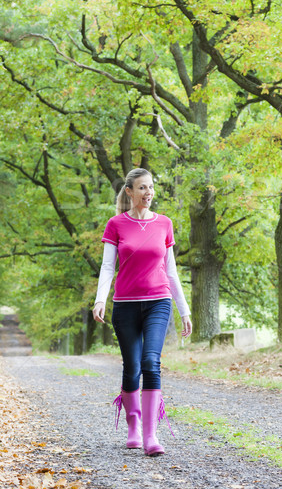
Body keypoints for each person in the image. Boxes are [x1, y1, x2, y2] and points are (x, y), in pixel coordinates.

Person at [92, 168, 192, 457]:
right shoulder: (116, 224)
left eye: (151, 187)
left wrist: (183, 310)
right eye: (142, 188)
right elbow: (108, 267)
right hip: (125, 305)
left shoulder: (164, 224)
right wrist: (101, 299)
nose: (148, 193)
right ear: (130, 192)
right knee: (132, 367)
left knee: (151, 362)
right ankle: (133, 426)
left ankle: (151, 434)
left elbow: (171, 272)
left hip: (158, 301)